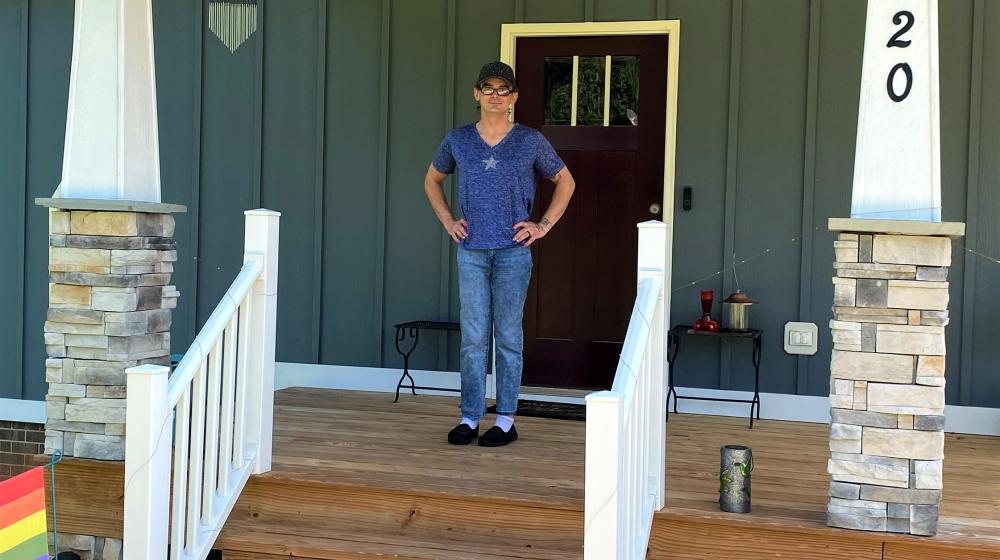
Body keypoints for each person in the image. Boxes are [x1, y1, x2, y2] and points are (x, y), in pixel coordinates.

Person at [424, 61, 575, 447]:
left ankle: (506, 418)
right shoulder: (458, 140)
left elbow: (565, 181)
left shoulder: (529, 140)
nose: (495, 95)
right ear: (476, 94)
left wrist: (542, 226)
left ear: (514, 97)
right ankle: (470, 417)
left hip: (513, 253)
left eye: (503, 89)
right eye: (487, 88)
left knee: (508, 335)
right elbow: (432, 179)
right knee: (474, 337)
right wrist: (447, 221)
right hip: (472, 251)